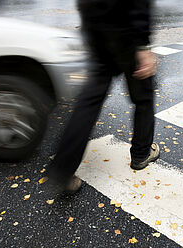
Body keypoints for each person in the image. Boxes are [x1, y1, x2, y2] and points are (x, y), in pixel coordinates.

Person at [47, 0, 159, 194]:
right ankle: (141, 154)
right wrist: (142, 46)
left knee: (89, 102)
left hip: (96, 27)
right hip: (126, 29)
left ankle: (63, 169)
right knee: (143, 96)